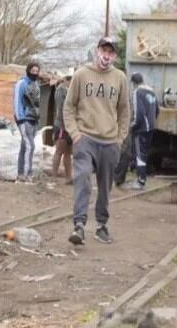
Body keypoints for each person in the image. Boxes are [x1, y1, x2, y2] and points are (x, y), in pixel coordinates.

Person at [64, 37, 130, 245]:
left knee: (105, 185)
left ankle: (101, 225)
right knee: (83, 177)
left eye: (111, 52)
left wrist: (120, 138)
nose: (106, 55)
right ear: (97, 50)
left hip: (110, 142)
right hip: (86, 138)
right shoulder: (81, 75)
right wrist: (75, 134)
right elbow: (68, 107)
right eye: (104, 50)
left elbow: (124, 111)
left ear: (115, 56)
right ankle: (79, 225)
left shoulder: (120, 78)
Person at [122, 72, 159, 190]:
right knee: (143, 154)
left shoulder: (137, 92)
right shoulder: (152, 91)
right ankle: (141, 179)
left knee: (139, 155)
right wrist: (151, 122)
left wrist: (131, 126)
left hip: (141, 129)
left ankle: (140, 181)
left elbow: (137, 113)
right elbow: (157, 110)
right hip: (151, 128)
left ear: (133, 83)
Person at [14, 61, 41, 182]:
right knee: (30, 146)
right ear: (28, 70)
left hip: (33, 119)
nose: (35, 73)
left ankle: (20, 174)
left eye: (37, 71)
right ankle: (27, 174)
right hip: (24, 119)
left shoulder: (36, 85)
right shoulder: (21, 83)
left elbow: (37, 104)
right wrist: (19, 118)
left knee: (25, 147)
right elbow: (17, 101)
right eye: (33, 71)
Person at [51, 70, 74, 183]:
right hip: (62, 125)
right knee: (59, 151)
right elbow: (62, 109)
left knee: (68, 153)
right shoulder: (61, 89)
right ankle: (54, 177)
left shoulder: (70, 90)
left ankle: (68, 177)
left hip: (70, 126)